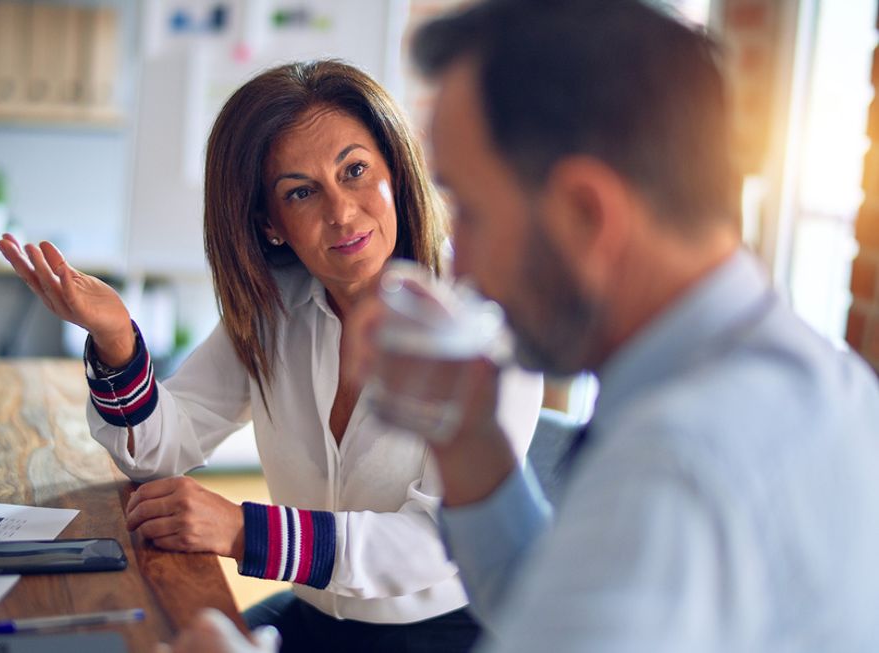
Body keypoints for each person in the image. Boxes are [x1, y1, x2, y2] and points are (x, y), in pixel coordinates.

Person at [169, 1, 879, 651]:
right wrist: (469, 442)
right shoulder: (817, 377)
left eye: (471, 212)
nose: (461, 264)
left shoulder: (674, 468)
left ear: (585, 214)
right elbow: (541, 603)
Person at [0, 60, 543, 653]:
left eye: (355, 170)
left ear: (396, 170)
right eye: (301, 192)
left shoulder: (487, 324)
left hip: (446, 636)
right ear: (270, 223)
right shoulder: (274, 307)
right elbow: (161, 448)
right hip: (313, 616)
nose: (341, 212)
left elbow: (433, 543)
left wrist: (244, 530)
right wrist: (116, 338)